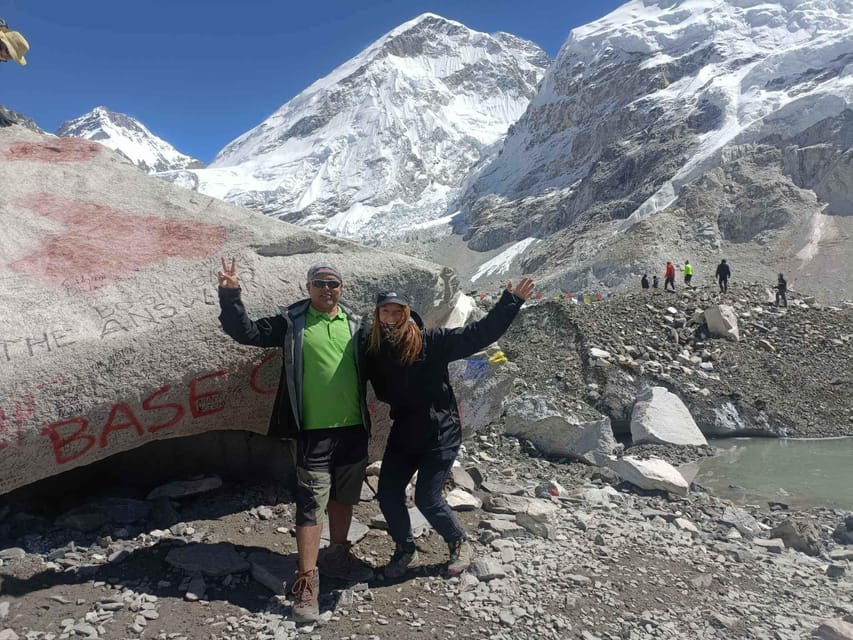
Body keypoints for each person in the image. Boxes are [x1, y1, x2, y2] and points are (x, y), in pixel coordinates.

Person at [217, 259, 374, 624]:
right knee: (310, 502)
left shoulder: (356, 324)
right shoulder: (291, 321)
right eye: (319, 283)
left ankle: (337, 554)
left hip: (353, 430)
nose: (326, 289)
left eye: (333, 283)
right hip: (312, 432)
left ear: (342, 287)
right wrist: (230, 295)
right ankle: (306, 580)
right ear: (308, 287)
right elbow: (247, 333)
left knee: (343, 497)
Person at [363, 278, 535, 580]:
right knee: (388, 494)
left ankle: (459, 543)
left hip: (440, 431)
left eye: (396, 310)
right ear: (377, 316)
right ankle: (405, 549)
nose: (391, 317)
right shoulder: (374, 350)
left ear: (407, 312)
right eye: (385, 311)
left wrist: (510, 301)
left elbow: (478, 335)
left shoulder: (431, 340)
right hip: (404, 432)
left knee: (427, 498)